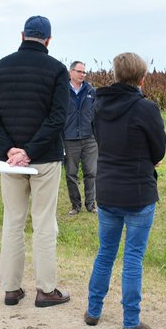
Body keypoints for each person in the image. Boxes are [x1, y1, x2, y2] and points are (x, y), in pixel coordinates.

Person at [0, 15, 71, 308]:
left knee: (13, 221)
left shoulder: (0, 68)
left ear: (22, 35)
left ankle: (11, 288)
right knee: (44, 222)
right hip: (43, 159)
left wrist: (9, 150)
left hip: (11, 162)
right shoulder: (56, 70)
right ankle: (45, 289)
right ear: (48, 40)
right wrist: (29, 151)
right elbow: (57, 116)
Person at [84, 52, 166, 329]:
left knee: (105, 253)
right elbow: (159, 150)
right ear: (142, 79)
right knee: (132, 257)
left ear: (115, 75)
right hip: (138, 192)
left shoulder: (98, 104)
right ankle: (131, 321)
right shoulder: (146, 108)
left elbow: (99, 140)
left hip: (106, 188)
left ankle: (93, 311)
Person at [62, 60, 98, 215]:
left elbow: (97, 114)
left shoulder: (91, 91)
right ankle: (75, 205)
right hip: (70, 138)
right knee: (71, 173)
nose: (82, 74)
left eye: (84, 72)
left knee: (92, 172)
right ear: (71, 72)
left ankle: (91, 204)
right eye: (79, 71)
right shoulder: (62, 91)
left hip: (89, 138)